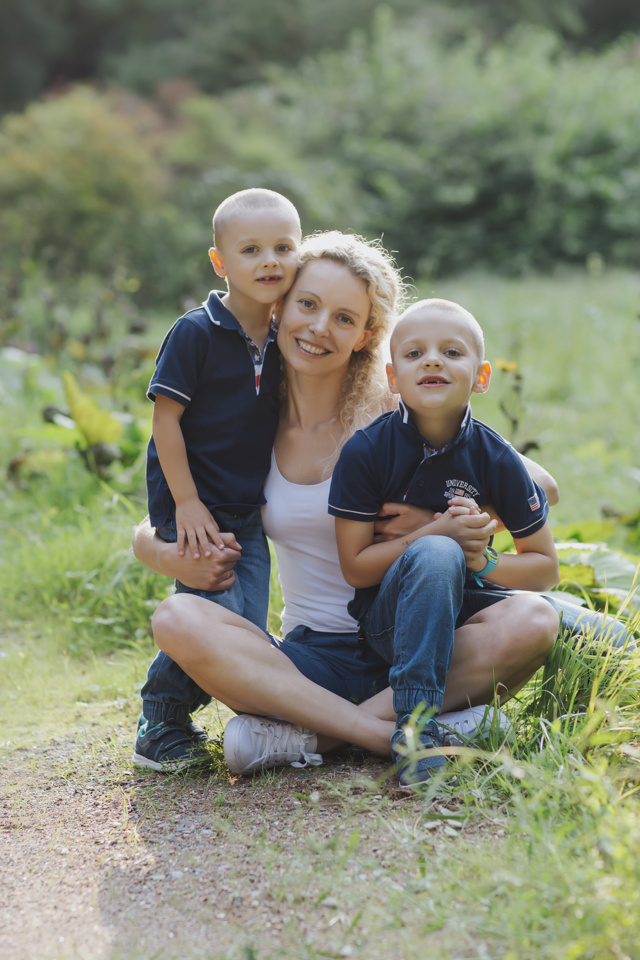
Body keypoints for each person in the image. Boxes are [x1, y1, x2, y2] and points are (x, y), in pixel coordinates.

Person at [132, 231, 563, 787]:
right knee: (178, 619)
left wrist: (447, 521)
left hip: (421, 641)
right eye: (307, 305)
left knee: (532, 619)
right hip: (313, 659)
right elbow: (162, 517)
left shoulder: (393, 411)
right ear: (280, 306)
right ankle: (399, 733)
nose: (318, 329)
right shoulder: (246, 420)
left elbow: (541, 486)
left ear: (366, 337)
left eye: (343, 318)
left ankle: (312, 735)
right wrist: (167, 557)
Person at [329, 297, 560, 786]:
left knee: (542, 617)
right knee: (437, 552)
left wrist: (481, 556)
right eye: (414, 354)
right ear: (393, 378)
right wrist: (436, 534)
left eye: (451, 352)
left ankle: (371, 728)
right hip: (390, 623)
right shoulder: (367, 451)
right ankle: (415, 728)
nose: (432, 360)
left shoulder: (498, 457)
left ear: (482, 376)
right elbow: (355, 568)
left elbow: (544, 570)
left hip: (467, 615)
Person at [135, 188, 301, 770]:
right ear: (220, 261)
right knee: (215, 623)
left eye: (283, 247)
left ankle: (175, 712)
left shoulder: (288, 339)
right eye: (251, 249)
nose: (269, 261)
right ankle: (161, 717)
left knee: (239, 625)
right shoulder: (196, 331)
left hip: (244, 507)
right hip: (196, 506)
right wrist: (186, 504)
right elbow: (165, 422)